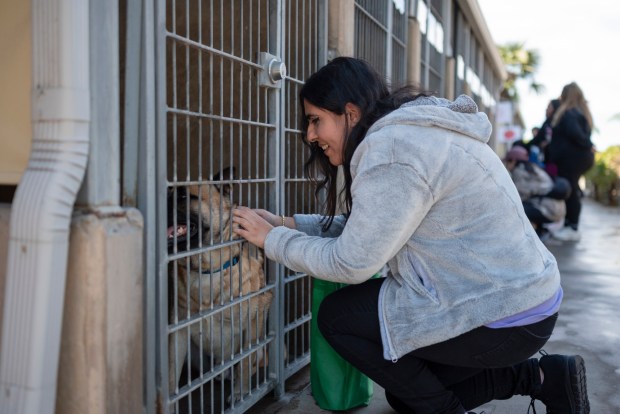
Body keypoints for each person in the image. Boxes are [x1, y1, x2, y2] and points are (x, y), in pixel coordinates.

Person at [232, 57, 589, 414]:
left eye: (316, 120)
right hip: (524, 301)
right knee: (407, 395)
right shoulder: (409, 135)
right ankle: (543, 377)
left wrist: (272, 241)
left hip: (503, 314)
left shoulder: (391, 150)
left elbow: (352, 263)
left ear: (351, 114)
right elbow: (374, 227)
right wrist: (285, 224)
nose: (310, 135)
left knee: (338, 318)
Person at [545, 83, 595, 242]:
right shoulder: (581, 112)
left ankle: (572, 227)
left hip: (573, 159)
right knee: (572, 190)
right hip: (578, 158)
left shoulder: (570, 113)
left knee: (571, 191)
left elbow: (575, 133)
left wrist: (589, 145)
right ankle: (569, 225)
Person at [504, 145, 567, 239]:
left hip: (550, 211)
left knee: (514, 208)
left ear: (513, 160)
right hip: (558, 209)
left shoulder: (519, 172)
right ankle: (540, 230)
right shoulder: (532, 168)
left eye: (507, 161)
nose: (505, 165)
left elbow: (518, 196)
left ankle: (534, 233)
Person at [529, 99, 561, 177]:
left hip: (554, 161)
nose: (547, 109)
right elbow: (537, 139)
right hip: (545, 159)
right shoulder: (547, 123)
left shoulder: (559, 123)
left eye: (549, 107)